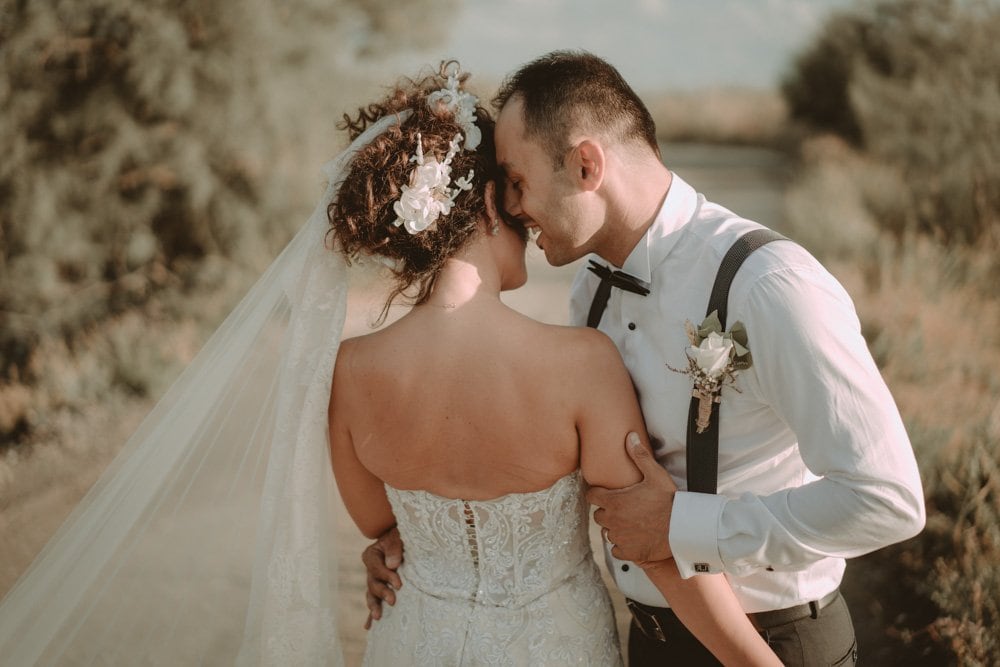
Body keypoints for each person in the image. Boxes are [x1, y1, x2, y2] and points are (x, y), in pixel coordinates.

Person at [364, 52, 926, 666]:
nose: (513, 210)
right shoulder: (591, 291)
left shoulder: (769, 284)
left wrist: (687, 527)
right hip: (648, 641)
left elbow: (887, 499)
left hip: (776, 640)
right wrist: (411, 548)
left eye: (517, 182)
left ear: (586, 164)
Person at [327, 63, 780, 666]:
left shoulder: (349, 372)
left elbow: (383, 530)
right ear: (488, 204)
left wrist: (405, 551)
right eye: (511, 196)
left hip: (412, 640)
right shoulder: (580, 365)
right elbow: (650, 545)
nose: (525, 221)